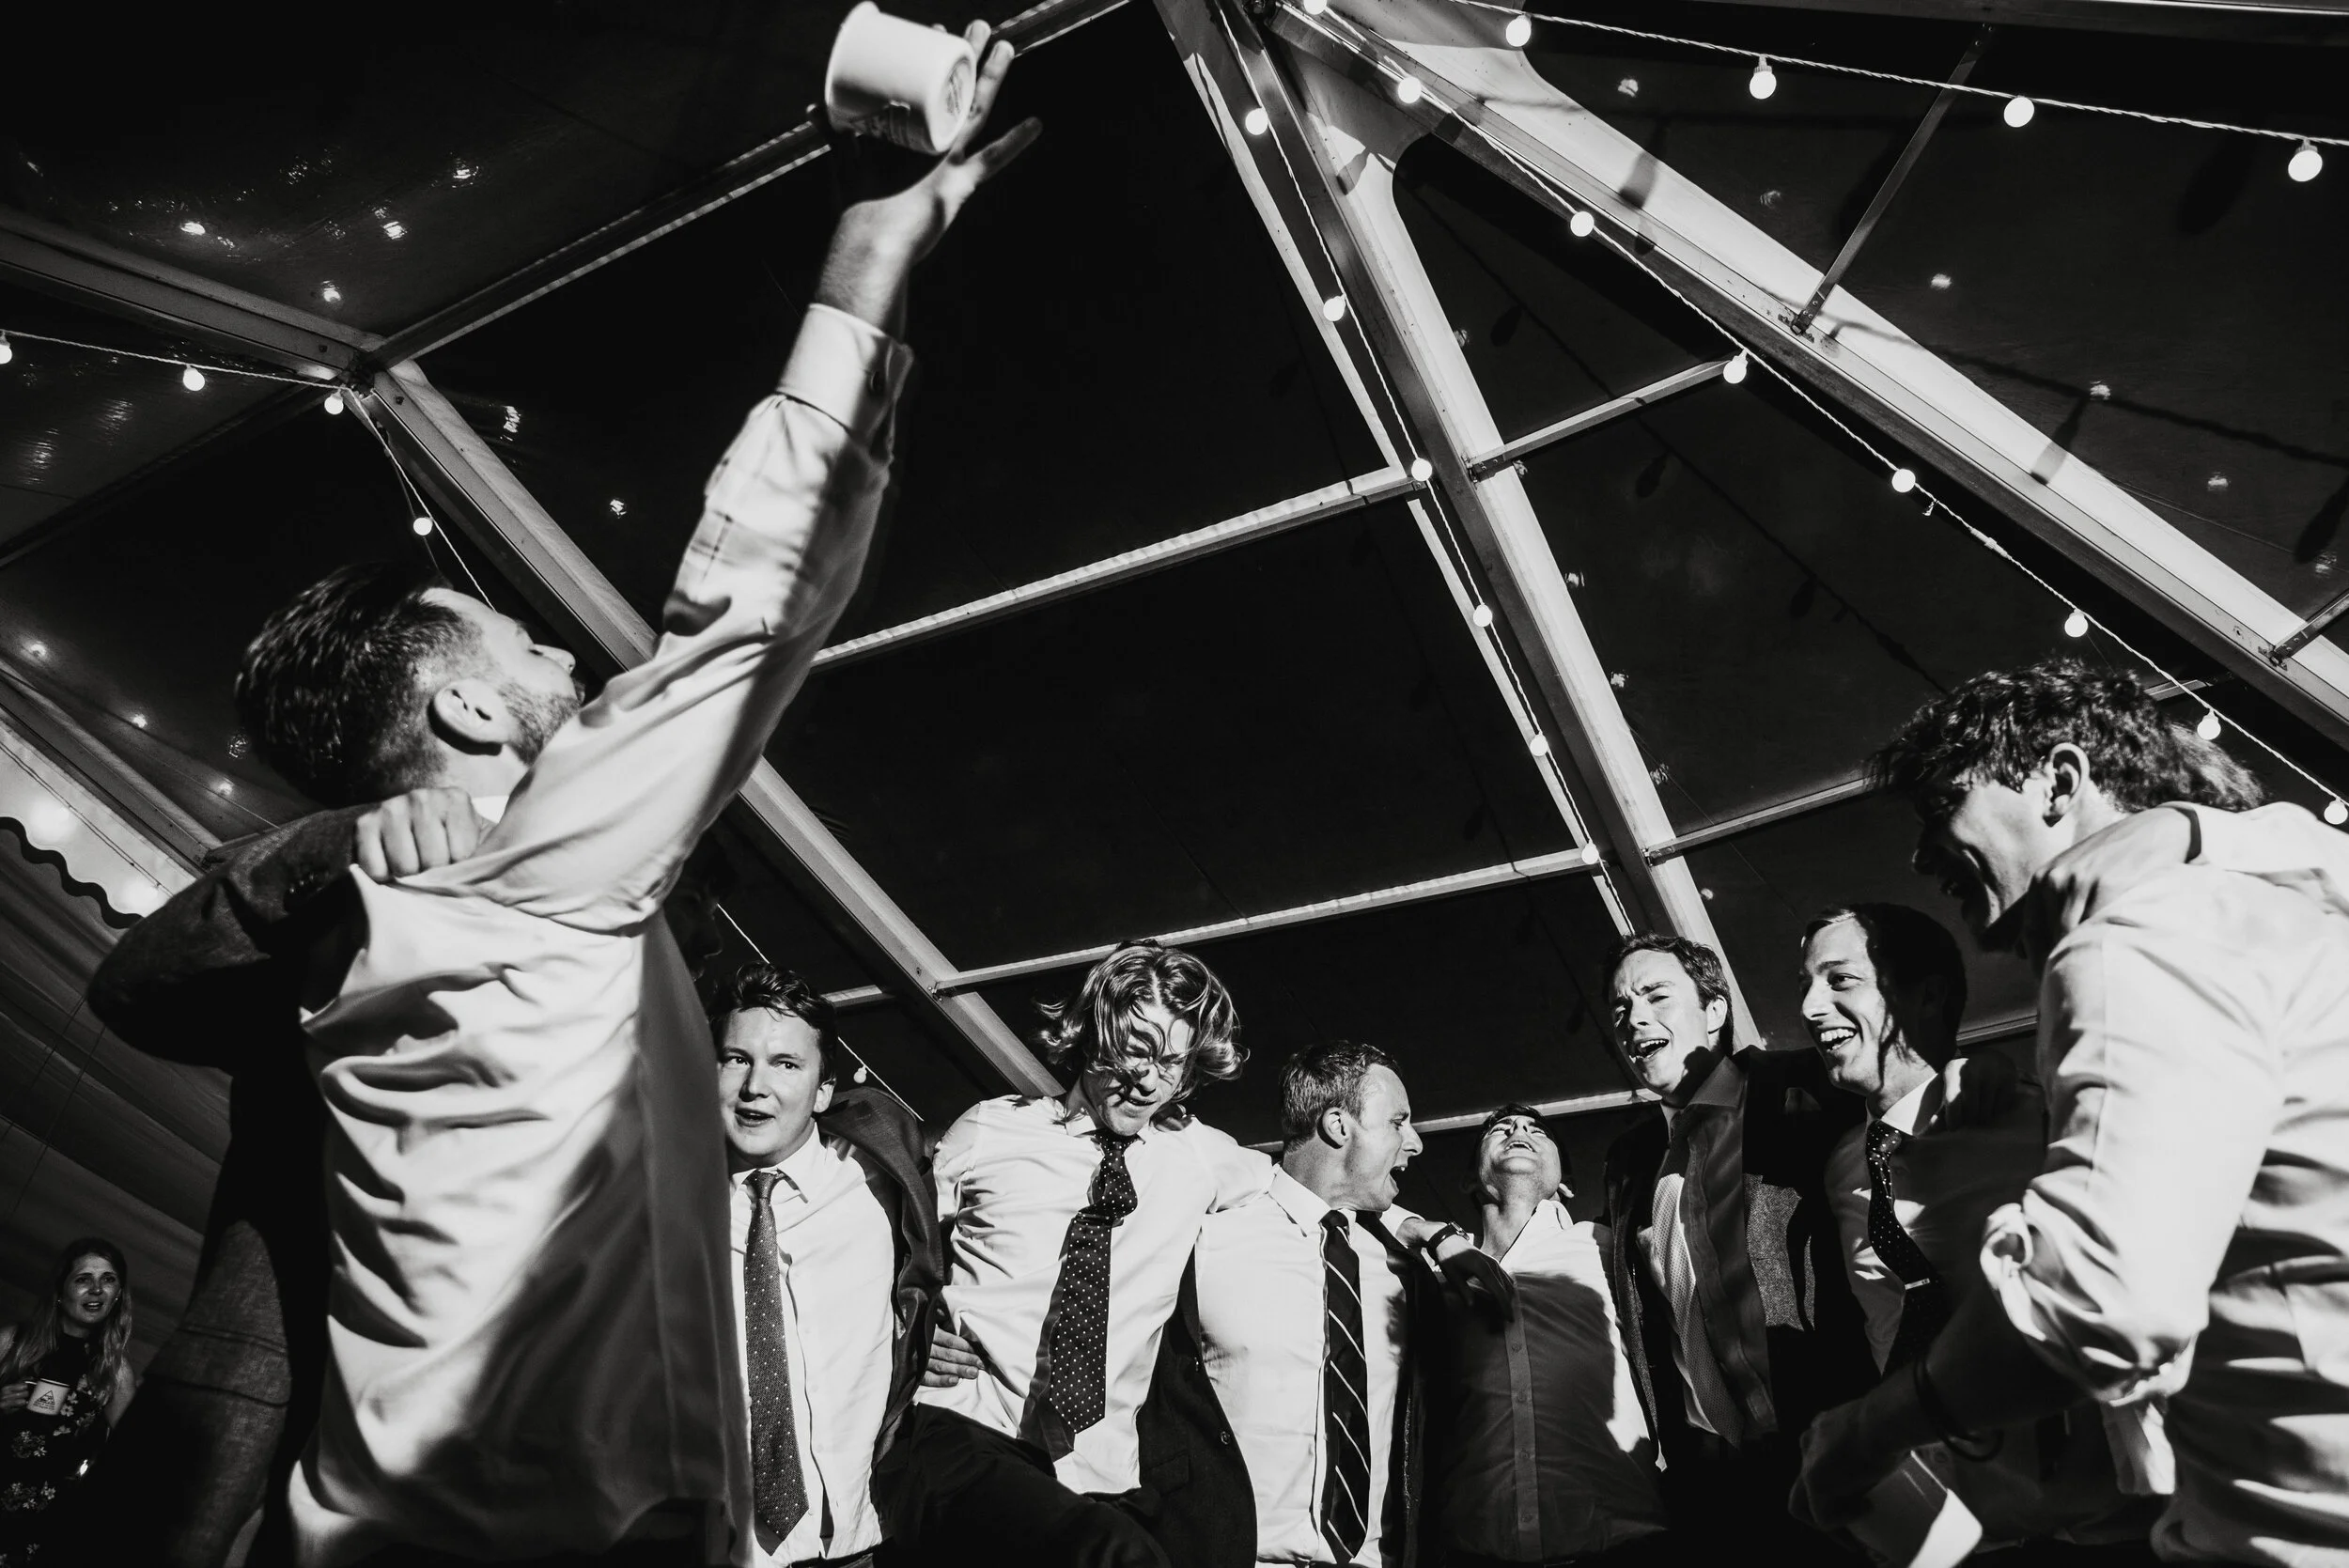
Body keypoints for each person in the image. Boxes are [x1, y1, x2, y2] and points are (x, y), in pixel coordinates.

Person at [211, 37, 1039, 1564]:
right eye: (517, 643)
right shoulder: (525, 870)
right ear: (462, 708)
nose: (557, 654)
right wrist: (871, 251)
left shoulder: (360, 932)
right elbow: (750, 603)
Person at [1793, 658, 2349, 1567]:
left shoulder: (2140, 936)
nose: (1921, 855)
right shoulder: (2286, 902)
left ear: (2059, 780)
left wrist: (1867, 1430)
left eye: (1943, 810)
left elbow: (2098, 1297)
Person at [79, 786, 489, 1568]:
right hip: (272, 1349)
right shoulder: (366, 870)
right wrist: (345, 840)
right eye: (537, 650)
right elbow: (133, 987)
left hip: (445, 1417)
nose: (564, 655)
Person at [880, 941, 1267, 1568]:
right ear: (1092, 1031)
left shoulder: (1198, 1154)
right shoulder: (991, 1130)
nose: (1150, 1078)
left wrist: (1418, 1227)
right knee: (1116, 1555)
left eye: (1173, 1060)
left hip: (1101, 1477)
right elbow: (883, 1233)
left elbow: (1305, 1189)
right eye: (1137, 1046)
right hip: (969, 1435)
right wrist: (902, 1336)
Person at [1799, 903, 2153, 1556]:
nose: (1810, 1006)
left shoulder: (2029, 1117)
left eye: (1839, 980)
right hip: (1950, 1530)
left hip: (2107, 1523)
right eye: (1807, 984)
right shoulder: (1834, 1164)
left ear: (1925, 994)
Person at [1595, 932, 1872, 1554]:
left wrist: (1967, 1078)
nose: (1634, 1017)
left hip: (1843, 1441)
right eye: (1620, 1009)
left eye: (1655, 995)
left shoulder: (1806, 1084)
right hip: (1723, 1488)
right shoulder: (1629, 1161)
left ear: (1715, 1010)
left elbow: (1907, 1104)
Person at [1159, 1042, 1454, 1568]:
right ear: (1340, 1126)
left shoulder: (1411, 1273)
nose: (1415, 1143)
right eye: (1398, 1122)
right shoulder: (1204, 1240)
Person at [708, 964, 940, 1568]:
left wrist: (942, 1332)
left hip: (855, 1545)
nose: (756, 1085)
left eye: (786, 1064)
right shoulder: (668, 1203)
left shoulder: (878, 1175)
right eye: (736, 1058)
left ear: (823, 1090)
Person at [1433, 1106, 1668, 1568]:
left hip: (1622, 1544)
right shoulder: (1433, 1280)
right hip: (1473, 1552)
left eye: (1537, 1130)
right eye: (1499, 1129)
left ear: (1565, 1183)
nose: (1518, 1131)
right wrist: (1422, 1229)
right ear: (1468, 1181)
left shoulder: (1608, 1246)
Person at [0, 1239, 136, 1566]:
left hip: (43, 1525)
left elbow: (135, 1454)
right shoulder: (12, 1342)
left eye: (108, 1280)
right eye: (83, 1279)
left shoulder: (113, 1370)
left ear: (117, 1295)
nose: (96, 1290)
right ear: (61, 1290)